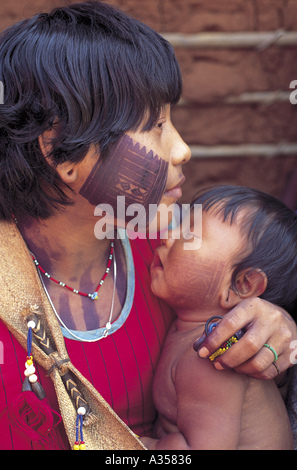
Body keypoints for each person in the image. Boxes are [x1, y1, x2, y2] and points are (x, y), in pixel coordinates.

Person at [0, 2, 296, 450]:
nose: (181, 150)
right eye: (155, 125)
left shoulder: (181, 254)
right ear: (60, 149)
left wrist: (273, 325)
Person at [141, 185, 297, 450]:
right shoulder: (185, 327)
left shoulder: (212, 355)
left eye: (189, 234)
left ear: (242, 285)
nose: (168, 236)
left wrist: (133, 446)